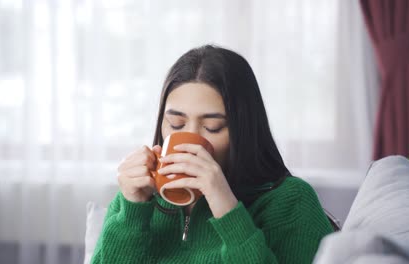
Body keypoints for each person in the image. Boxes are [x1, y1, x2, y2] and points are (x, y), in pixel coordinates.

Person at [91, 45, 334, 263]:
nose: (191, 143)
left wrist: (226, 207)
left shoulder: (290, 201)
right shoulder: (138, 198)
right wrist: (132, 211)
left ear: (245, 129)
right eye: (176, 124)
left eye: (212, 128)